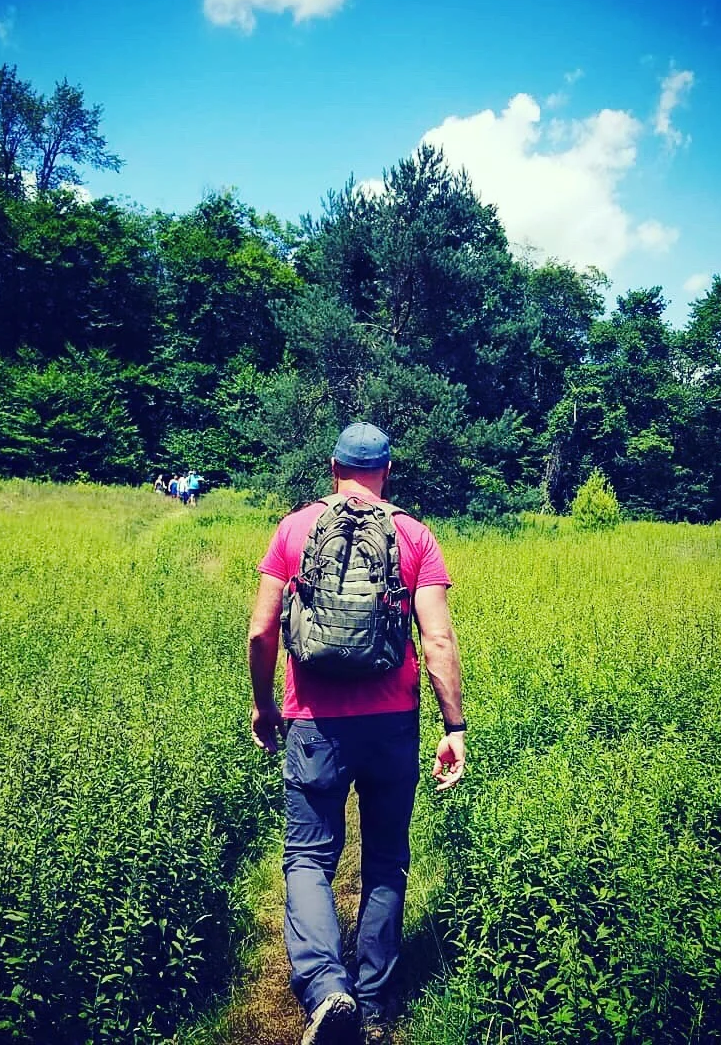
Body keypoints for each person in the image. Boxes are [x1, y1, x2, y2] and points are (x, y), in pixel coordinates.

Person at [248, 422, 466, 1045]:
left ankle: (326, 989)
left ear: (333, 467)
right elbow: (438, 640)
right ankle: (372, 1002)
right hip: (392, 723)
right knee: (387, 858)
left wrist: (264, 706)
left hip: (313, 718)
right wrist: (453, 727)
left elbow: (262, 631)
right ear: (387, 471)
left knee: (308, 858)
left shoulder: (295, 528)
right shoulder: (414, 535)